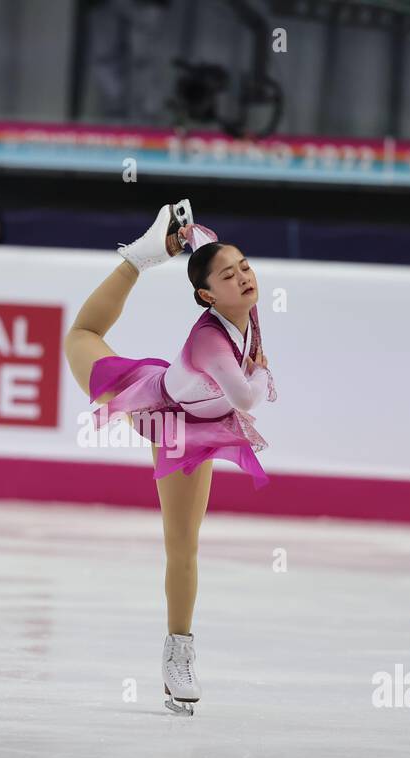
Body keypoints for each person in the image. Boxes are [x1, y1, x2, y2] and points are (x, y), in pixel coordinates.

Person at [63, 200, 276, 715]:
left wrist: (184, 234)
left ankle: (178, 652)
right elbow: (249, 399)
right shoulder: (209, 342)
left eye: (245, 266)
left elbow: (208, 246)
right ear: (206, 295)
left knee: (185, 544)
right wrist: (263, 371)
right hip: (164, 412)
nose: (243, 276)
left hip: (193, 414)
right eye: (229, 274)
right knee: (80, 336)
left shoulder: (241, 307)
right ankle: (136, 258)